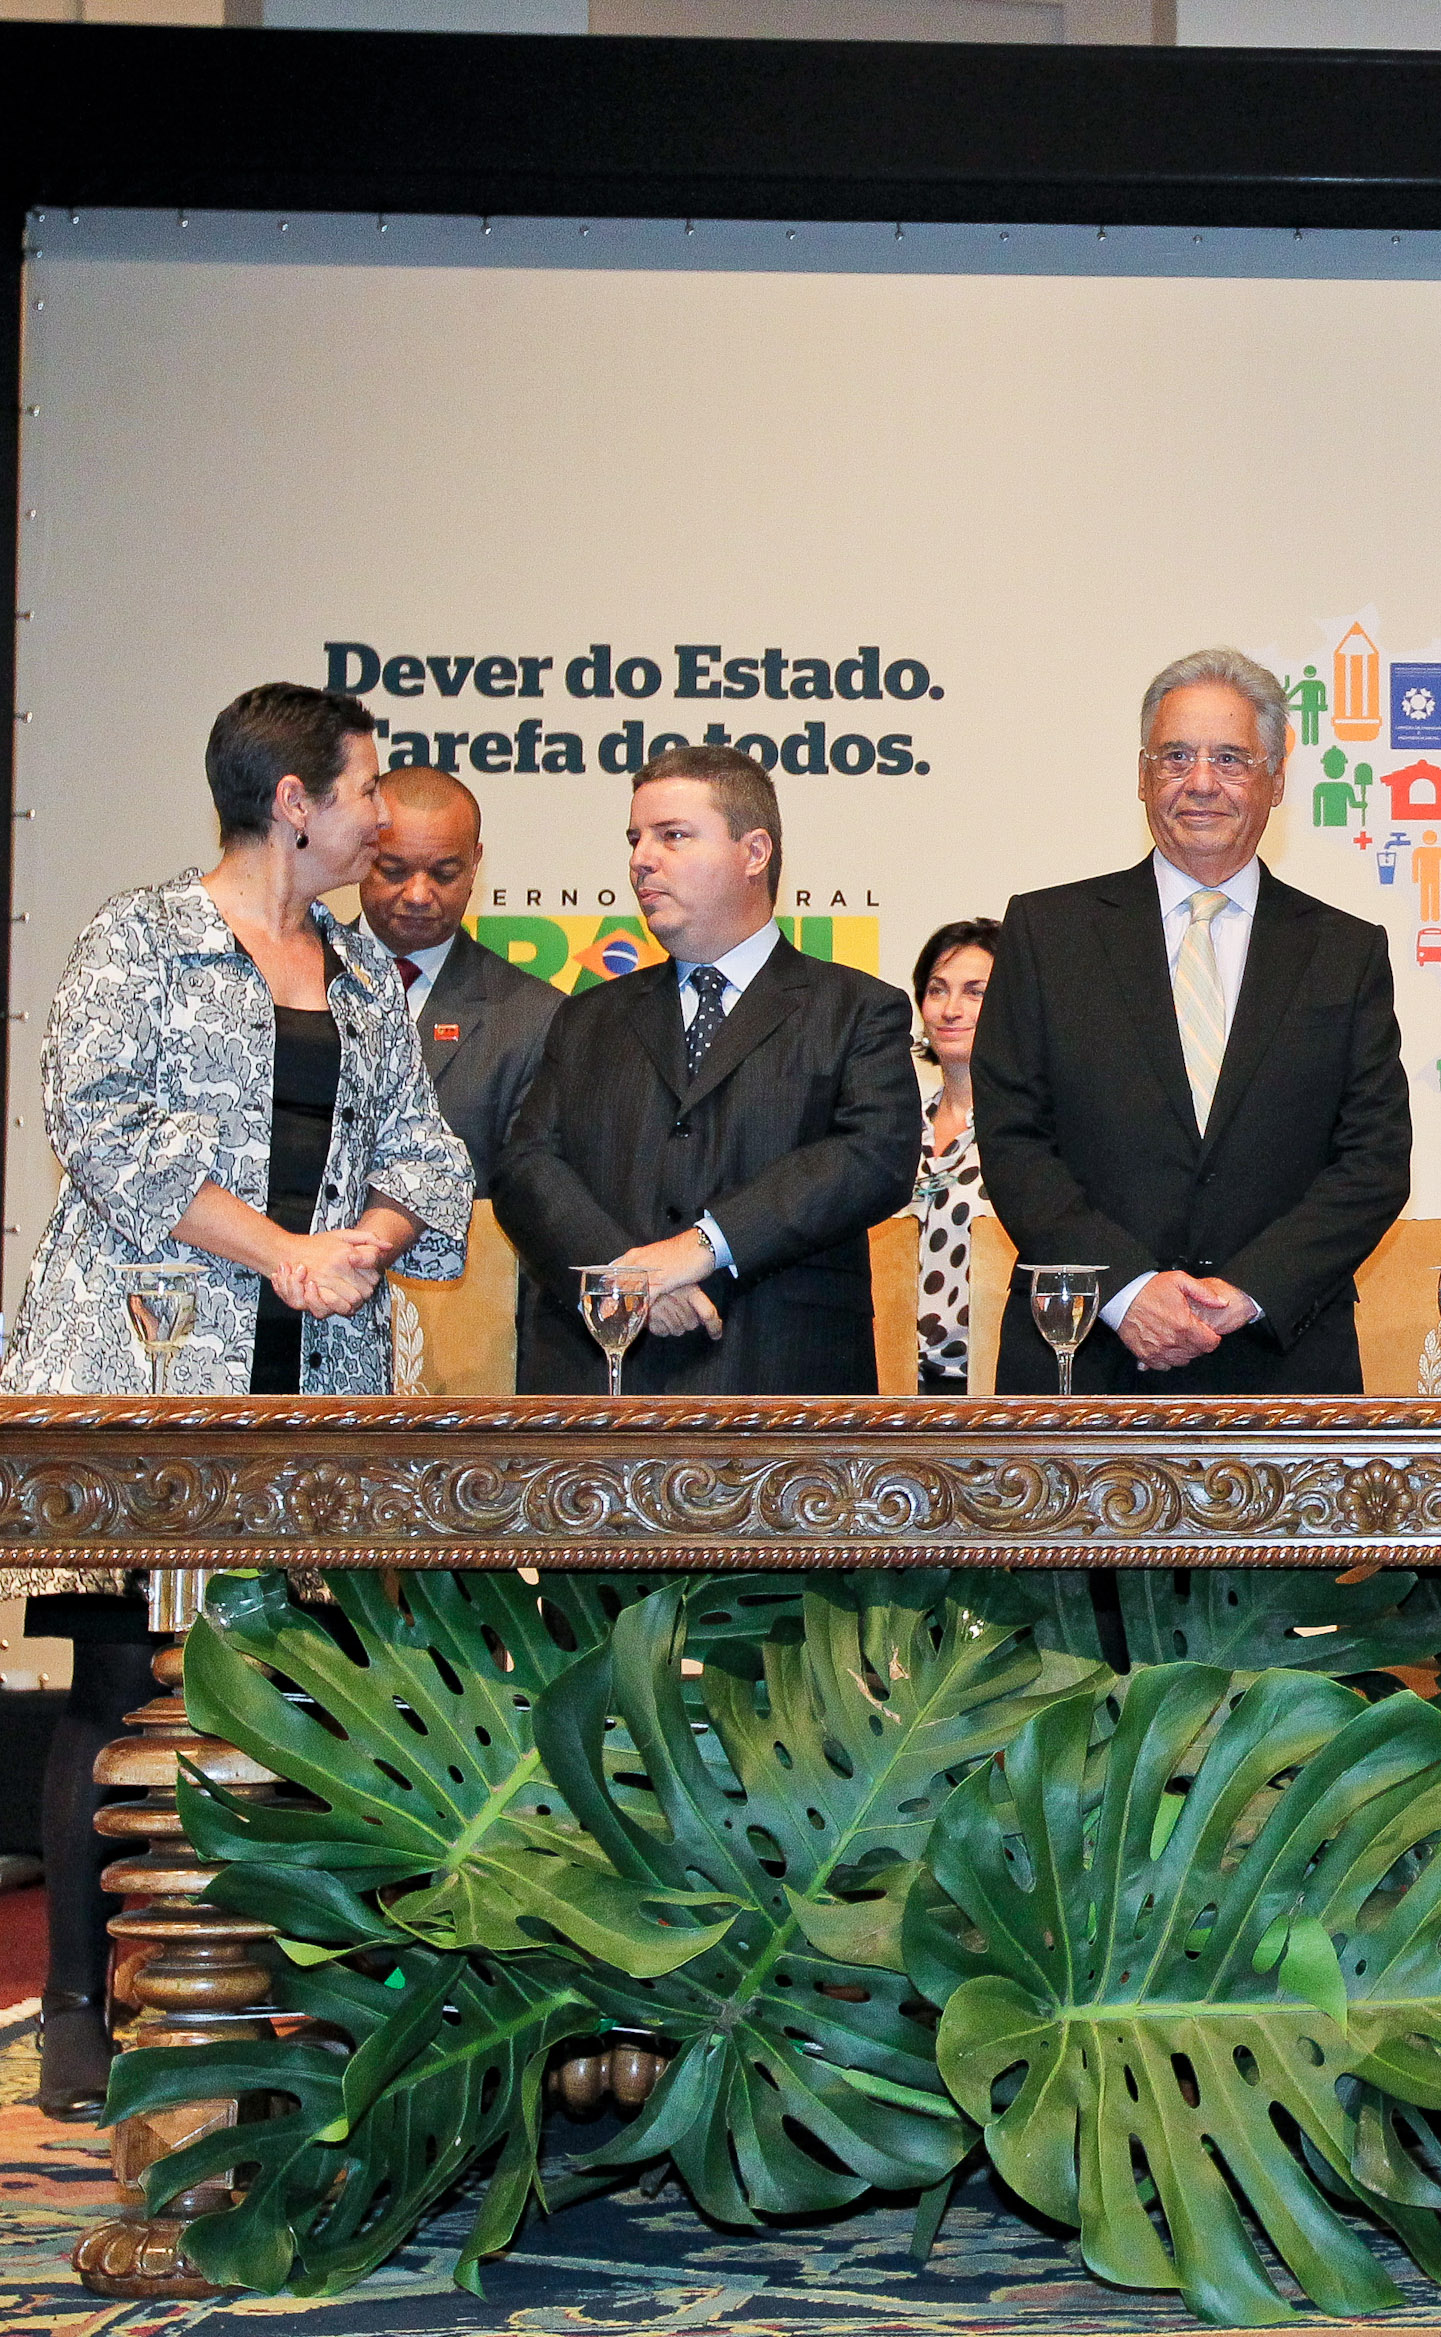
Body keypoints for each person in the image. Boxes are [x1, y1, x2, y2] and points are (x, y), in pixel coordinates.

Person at [1, 680, 470, 2119]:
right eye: (367, 789)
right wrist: (278, 1251)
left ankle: (265, 2000)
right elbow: (99, 1125)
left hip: (308, 1383)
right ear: (294, 801)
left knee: (284, 1692)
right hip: (143, 1374)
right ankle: (84, 2003)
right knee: (114, 1687)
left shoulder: (359, 967)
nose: (383, 817)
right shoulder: (138, 941)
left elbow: (428, 1161)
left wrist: (362, 1251)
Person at [973, 647, 1412, 1394]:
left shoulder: (1345, 951)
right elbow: (1015, 1143)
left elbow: (1373, 1161)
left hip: (1282, 1362)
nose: (1201, 782)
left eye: (1232, 759)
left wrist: (1242, 1295)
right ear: (1142, 776)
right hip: (1086, 1355)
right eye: (1176, 756)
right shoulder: (1048, 933)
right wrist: (1127, 1291)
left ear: (1275, 780)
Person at [496, 746, 917, 1395]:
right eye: (636, 838)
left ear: (754, 852)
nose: (641, 859)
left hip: (780, 1383)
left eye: (673, 836)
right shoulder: (587, 1016)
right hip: (601, 1384)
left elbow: (874, 1157)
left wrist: (702, 1245)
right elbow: (526, 1166)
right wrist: (629, 1279)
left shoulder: (857, 1010)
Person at [356, 765, 561, 1194]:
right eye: (393, 870)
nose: (417, 894)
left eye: (444, 873)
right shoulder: (292, 979)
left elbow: (531, 1190)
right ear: (362, 853)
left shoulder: (535, 1018)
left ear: (474, 864)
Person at [907, 917, 1000, 1394]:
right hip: (891, 1389)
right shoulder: (894, 1130)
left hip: (993, 1389)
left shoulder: (1030, 1138)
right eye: (937, 990)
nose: (950, 1009)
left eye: (975, 992)